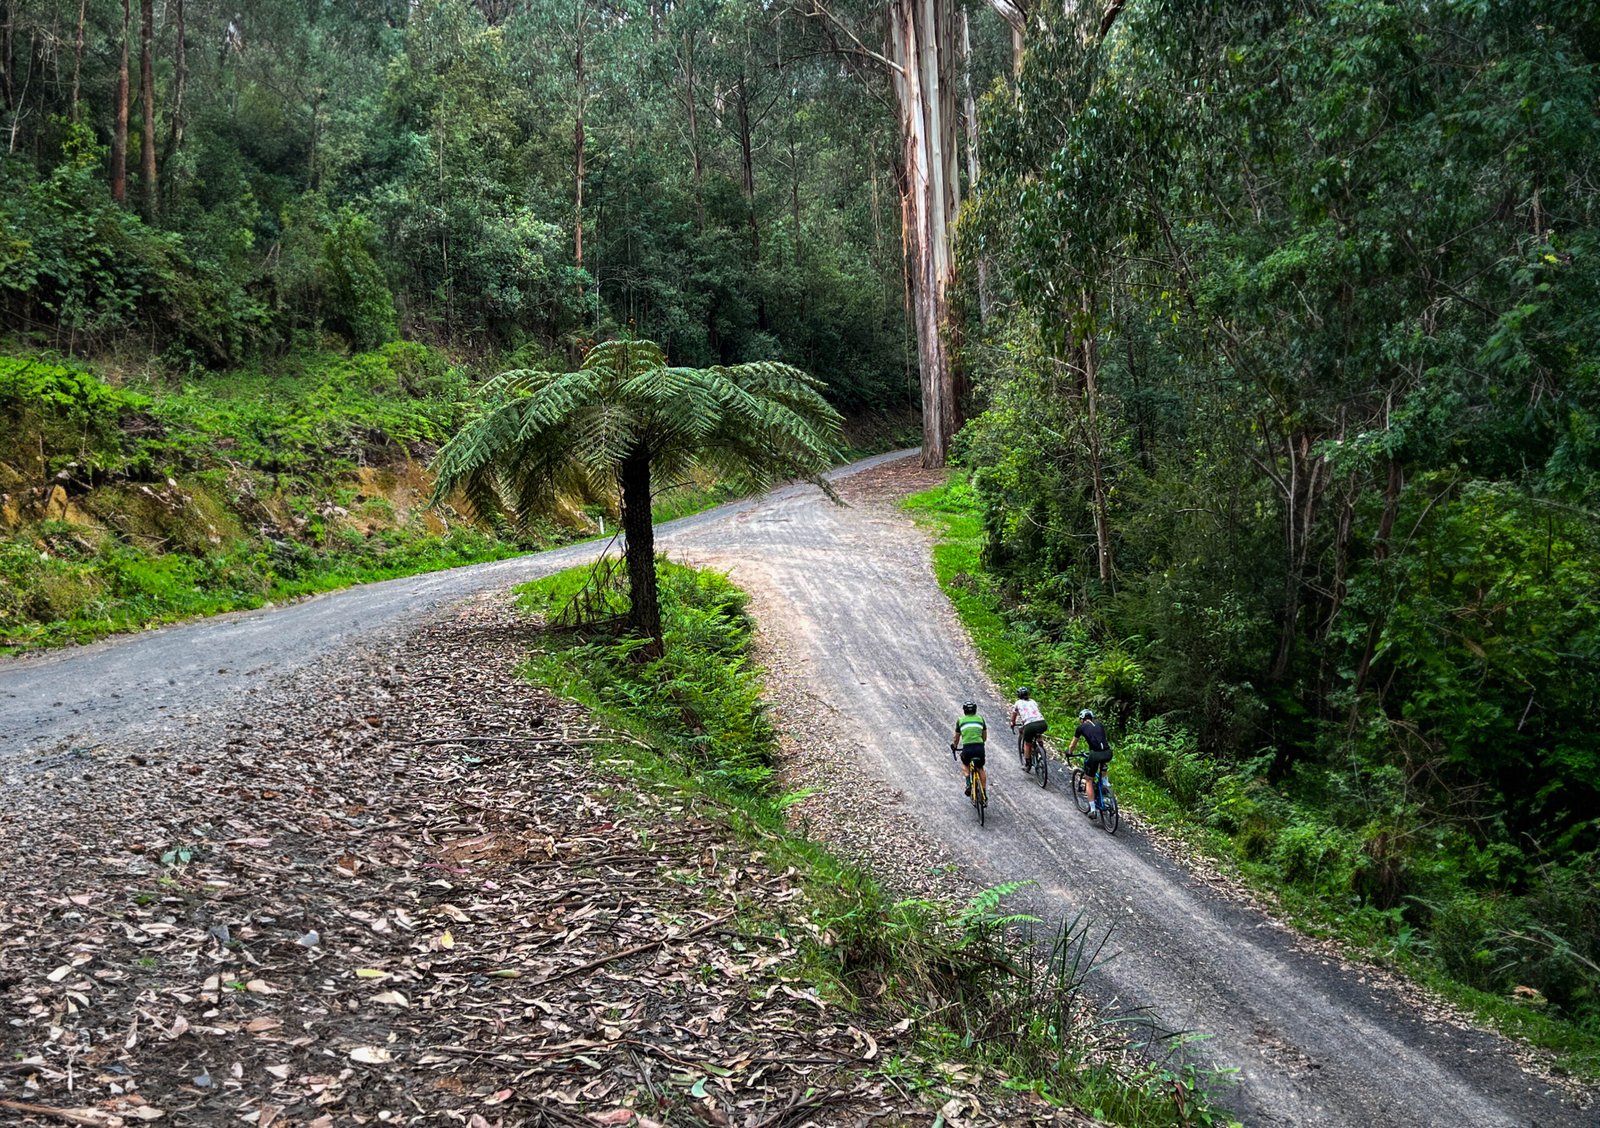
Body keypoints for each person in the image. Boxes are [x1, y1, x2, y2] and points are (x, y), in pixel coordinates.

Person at [1065, 708, 1113, 815]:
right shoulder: (1100, 724)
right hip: (1108, 752)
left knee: (1089, 780)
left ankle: (1092, 810)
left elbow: (1073, 744)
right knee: (1103, 765)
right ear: (1092, 717)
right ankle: (1106, 787)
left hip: (1095, 754)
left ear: (1081, 719)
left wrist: (1069, 752)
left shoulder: (1081, 728)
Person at [950, 701, 988, 799]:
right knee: (980, 768)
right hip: (979, 747)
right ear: (975, 710)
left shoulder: (960, 720)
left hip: (967, 747)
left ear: (964, 711)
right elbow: (984, 737)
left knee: (965, 763)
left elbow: (956, 738)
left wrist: (954, 746)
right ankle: (984, 793)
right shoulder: (980, 719)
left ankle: (968, 784)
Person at [1008, 687, 1048, 771]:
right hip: (1042, 723)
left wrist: (1012, 722)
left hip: (1030, 725)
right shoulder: (1033, 701)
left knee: (1027, 743)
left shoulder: (1018, 703)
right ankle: (1041, 747)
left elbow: (1014, 714)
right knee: (1038, 733)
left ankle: (1027, 764)